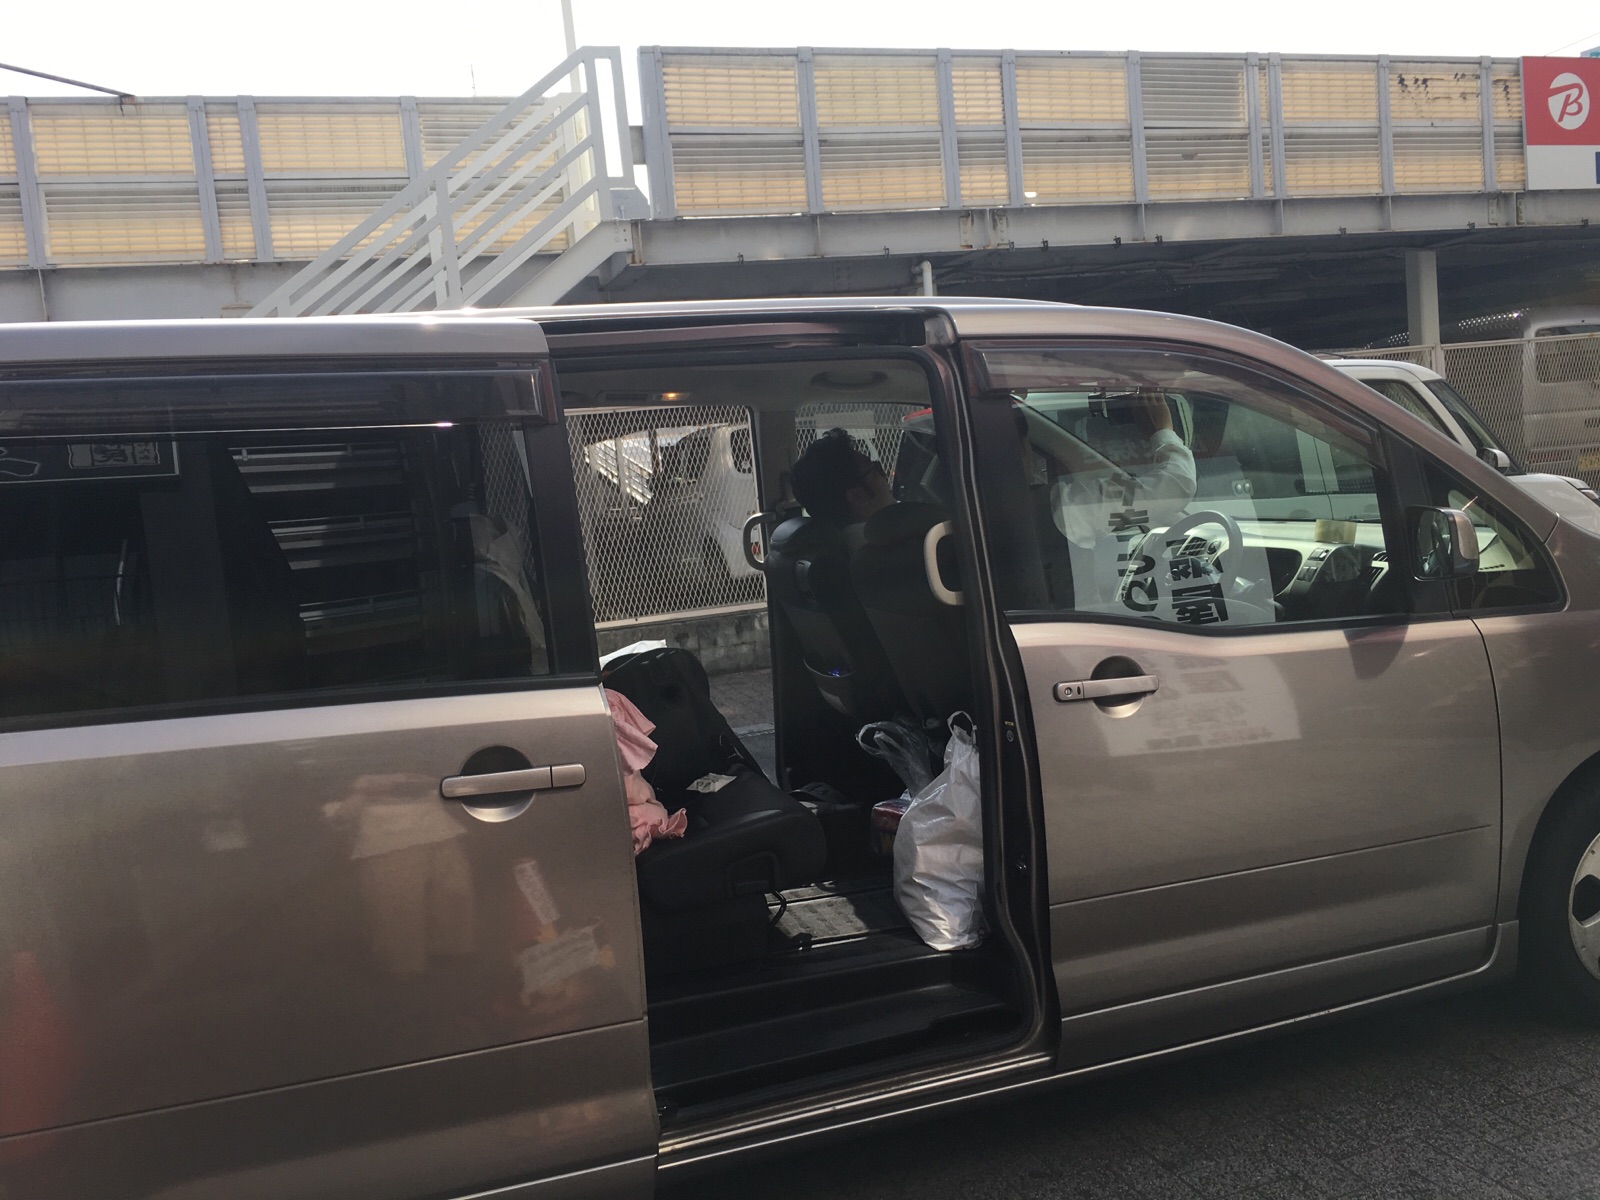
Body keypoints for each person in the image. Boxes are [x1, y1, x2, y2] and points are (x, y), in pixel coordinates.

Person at [788, 428, 896, 548]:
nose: (885, 477)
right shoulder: (896, 549)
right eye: (875, 469)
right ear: (857, 496)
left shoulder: (832, 550)